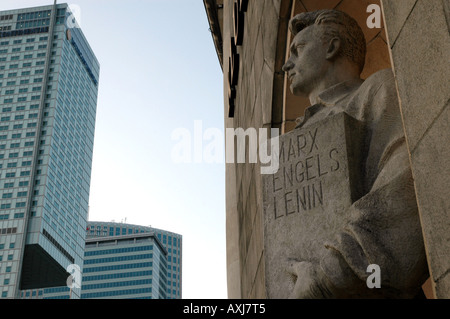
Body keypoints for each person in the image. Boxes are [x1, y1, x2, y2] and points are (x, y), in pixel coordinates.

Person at [281, 9, 428, 298]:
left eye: (298, 50)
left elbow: (407, 187)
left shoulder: (379, 90)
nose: (287, 65)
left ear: (332, 47)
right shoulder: (296, 137)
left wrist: (326, 278)